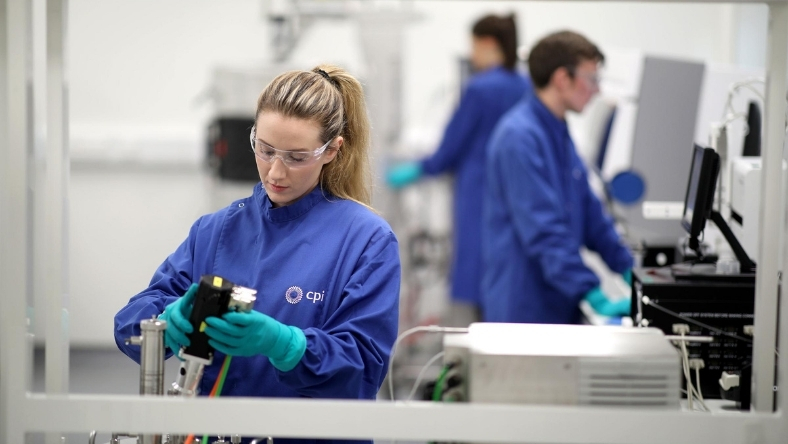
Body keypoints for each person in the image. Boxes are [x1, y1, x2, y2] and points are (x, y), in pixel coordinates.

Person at [114, 65, 401, 442]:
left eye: (296, 157)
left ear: (332, 150)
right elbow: (129, 323)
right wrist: (166, 322)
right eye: (265, 150)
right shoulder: (216, 230)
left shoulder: (366, 240)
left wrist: (286, 344)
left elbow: (363, 369)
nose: (275, 173)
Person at [386, 14, 531, 324]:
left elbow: (449, 150)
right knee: (503, 274)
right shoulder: (525, 85)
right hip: (516, 193)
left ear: (488, 44)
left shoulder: (480, 89)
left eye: (474, 46)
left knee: (475, 272)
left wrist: (416, 169)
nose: (472, 54)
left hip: (478, 193)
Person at [482, 31, 633, 325]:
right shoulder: (519, 137)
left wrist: (629, 268)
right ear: (563, 79)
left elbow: (589, 211)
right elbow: (543, 229)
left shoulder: (557, 130)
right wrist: (590, 290)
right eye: (592, 79)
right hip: (525, 306)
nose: (597, 90)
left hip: (556, 297)